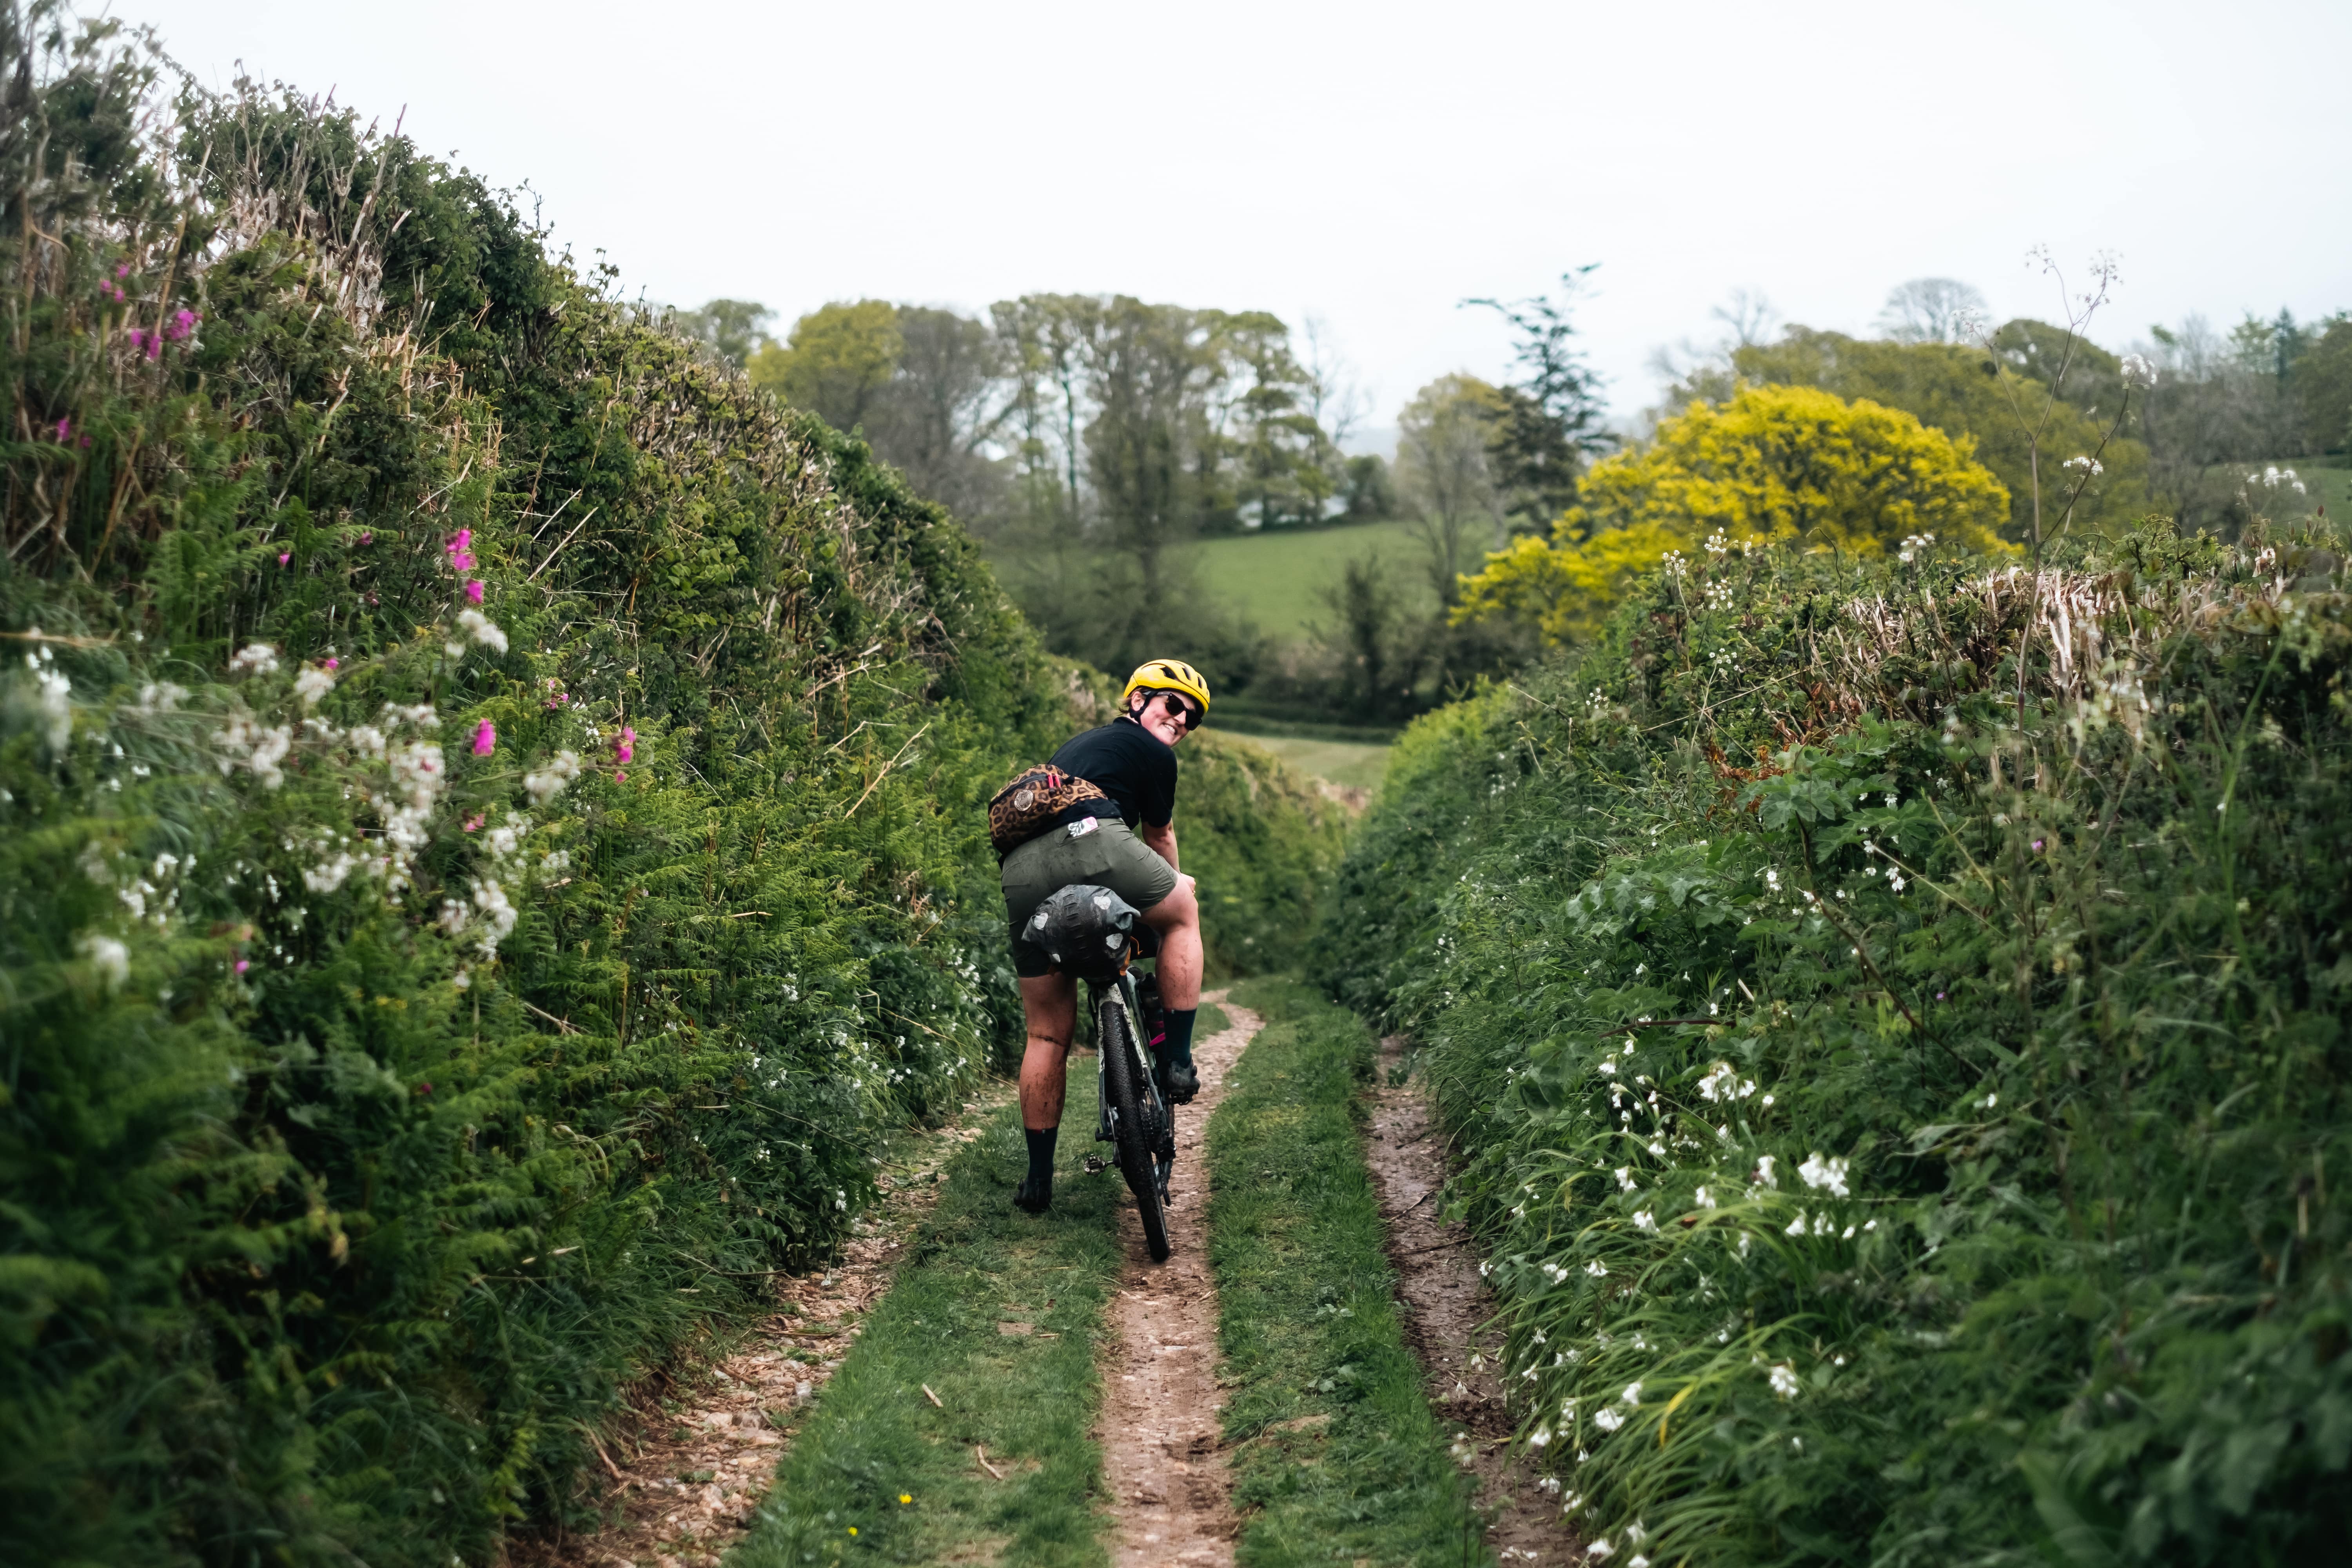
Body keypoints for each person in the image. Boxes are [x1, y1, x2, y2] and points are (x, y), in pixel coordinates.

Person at [1000, 658, 1210, 1214]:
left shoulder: (1077, 749)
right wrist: (1175, 884)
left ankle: (1038, 1182)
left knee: (1046, 1035)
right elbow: (1159, 836)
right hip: (1095, 839)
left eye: (1193, 718)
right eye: (1173, 704)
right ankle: (1180, 1061)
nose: (1182, 720)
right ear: (1137, 700)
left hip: (1022, 869)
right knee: (1182, 914)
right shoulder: (1153, 753)